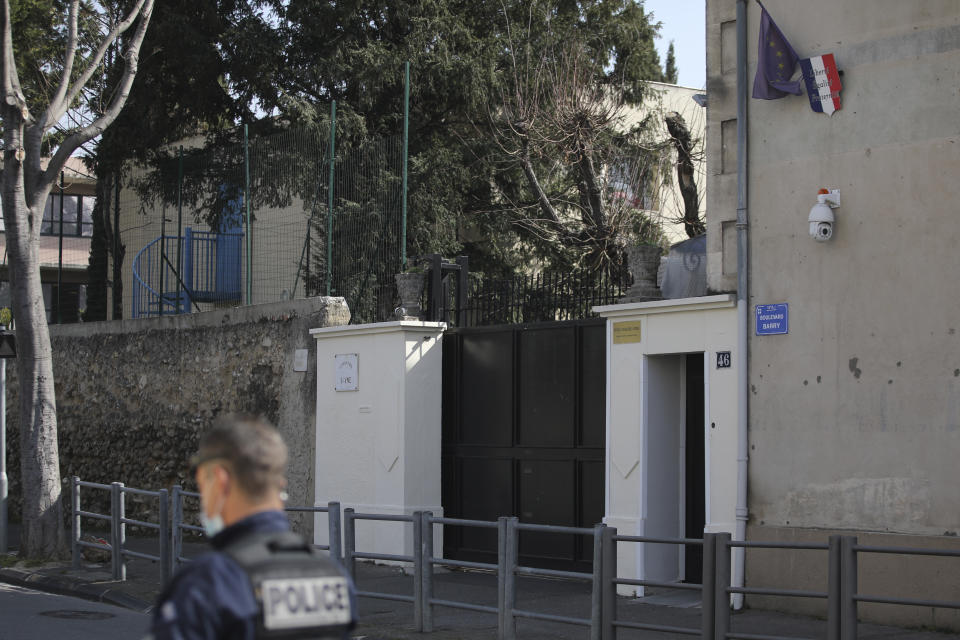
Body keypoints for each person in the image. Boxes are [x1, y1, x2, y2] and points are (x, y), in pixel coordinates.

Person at [148, 414, 356, 640]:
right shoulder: (333, 576)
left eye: (202, 484)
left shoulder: (208, 584)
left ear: (220, 481)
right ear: (280, 485)